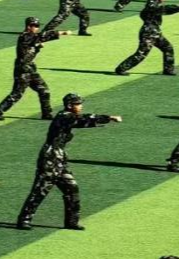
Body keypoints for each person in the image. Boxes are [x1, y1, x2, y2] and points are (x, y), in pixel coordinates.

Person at [17, 93, 120, 230]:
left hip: (59, 157)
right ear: (70, 105)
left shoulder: (68, 116)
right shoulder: (64, 116)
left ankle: (72, 222)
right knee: (41, 189)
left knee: (71, 188)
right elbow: (82, 120)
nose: (80, 106)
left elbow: (82, 120)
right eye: (78, 104)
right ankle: (24, 220)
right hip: (50, 157)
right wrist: (108, 118)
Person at [0, 18, 68, 120]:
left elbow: (36, 41)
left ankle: (46, 114)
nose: (37, 28)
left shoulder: (32, 37)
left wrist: (38, 46)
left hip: (30, 68)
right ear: (28, 26)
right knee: (17, 93)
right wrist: (60, 33)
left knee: (44, 90)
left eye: (38, 26)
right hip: (22, 69)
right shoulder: (24, 36)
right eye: (35, 26)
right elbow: (40, 37)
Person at [114, 0, 179, 76]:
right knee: (141, 53)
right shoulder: (153, 4)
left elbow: (142, 14)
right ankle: (121, 69)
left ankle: (168, 70)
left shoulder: (153, 3)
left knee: (168, 48)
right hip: (149, 33)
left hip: (154, 31)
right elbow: (165, 9)